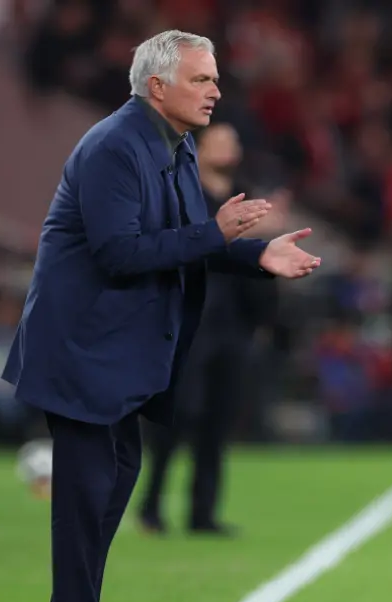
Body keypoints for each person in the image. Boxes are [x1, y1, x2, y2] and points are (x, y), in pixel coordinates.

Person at [2, 30, 321, 602]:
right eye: (201, 80)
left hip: (113, 347)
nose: (216, 91)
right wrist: (214, 232)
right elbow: (120, 252)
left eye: (214, 79)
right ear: (157, 86)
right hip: (81, 345)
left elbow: (184, 241)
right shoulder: (114, 147)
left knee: (115, 475)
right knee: (89, 486)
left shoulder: (171, 145)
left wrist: (256, 253)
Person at [137, 122, 282, 537]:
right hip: (189, 320)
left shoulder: (245, 197)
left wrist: (262, 316)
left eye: (232, 141)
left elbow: (257, 262)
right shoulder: (180, 194)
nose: (227, 148)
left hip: (232, 324)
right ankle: (151, 506)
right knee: (177, 416)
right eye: (219, 140)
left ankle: (203, 513)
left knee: (219, 420)